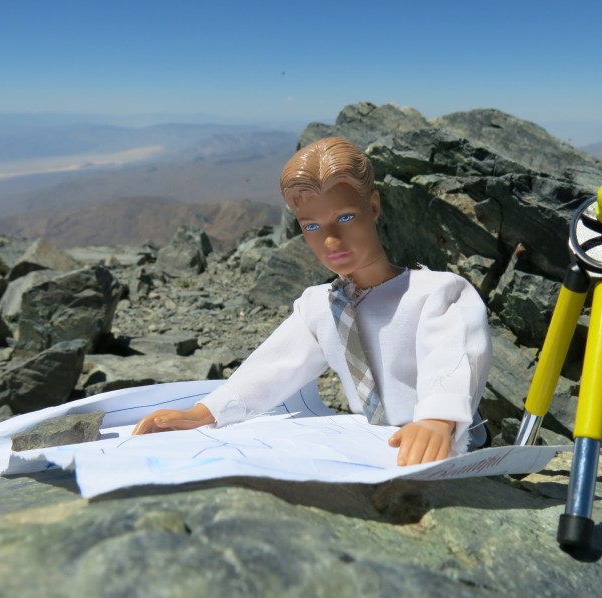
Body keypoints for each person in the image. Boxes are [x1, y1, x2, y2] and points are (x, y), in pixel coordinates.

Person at [133, 136, 492, 466]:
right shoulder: (320, 307)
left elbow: (452, 361)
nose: (331, 241)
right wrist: (204, 413)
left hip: (448, 450)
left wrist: (437, 420)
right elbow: (273, 368)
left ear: (374, 206)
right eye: (312, 227)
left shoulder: (437, 293)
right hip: (375, 450)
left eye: (345, 217)